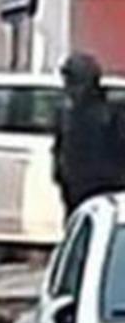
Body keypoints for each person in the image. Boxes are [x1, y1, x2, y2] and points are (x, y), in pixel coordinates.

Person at [53, 53, 125, 215]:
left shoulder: (111, 113)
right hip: (74, 189)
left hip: (103, 188)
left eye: (73, 82)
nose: (69, 88)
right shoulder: (67, 113)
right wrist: (59, 172)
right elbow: (59, 145)